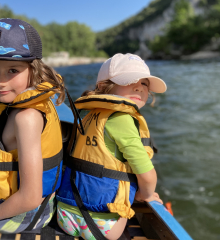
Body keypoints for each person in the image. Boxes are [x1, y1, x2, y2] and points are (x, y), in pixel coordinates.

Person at [0, 18, 66, 233]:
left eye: (13, 70)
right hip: (36, 206)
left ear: (34, 70)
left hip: (26, 215)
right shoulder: (36, 100)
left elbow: (30, 198)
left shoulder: (27, 118)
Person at [56, 53, 167, 240]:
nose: (139, 87)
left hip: (65, 215)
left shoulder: (90, 114)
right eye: (130, 80)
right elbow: (147, 175)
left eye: (145, 84)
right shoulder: (122, 119)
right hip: (103, 226)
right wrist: (145, 195)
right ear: (104, 86)